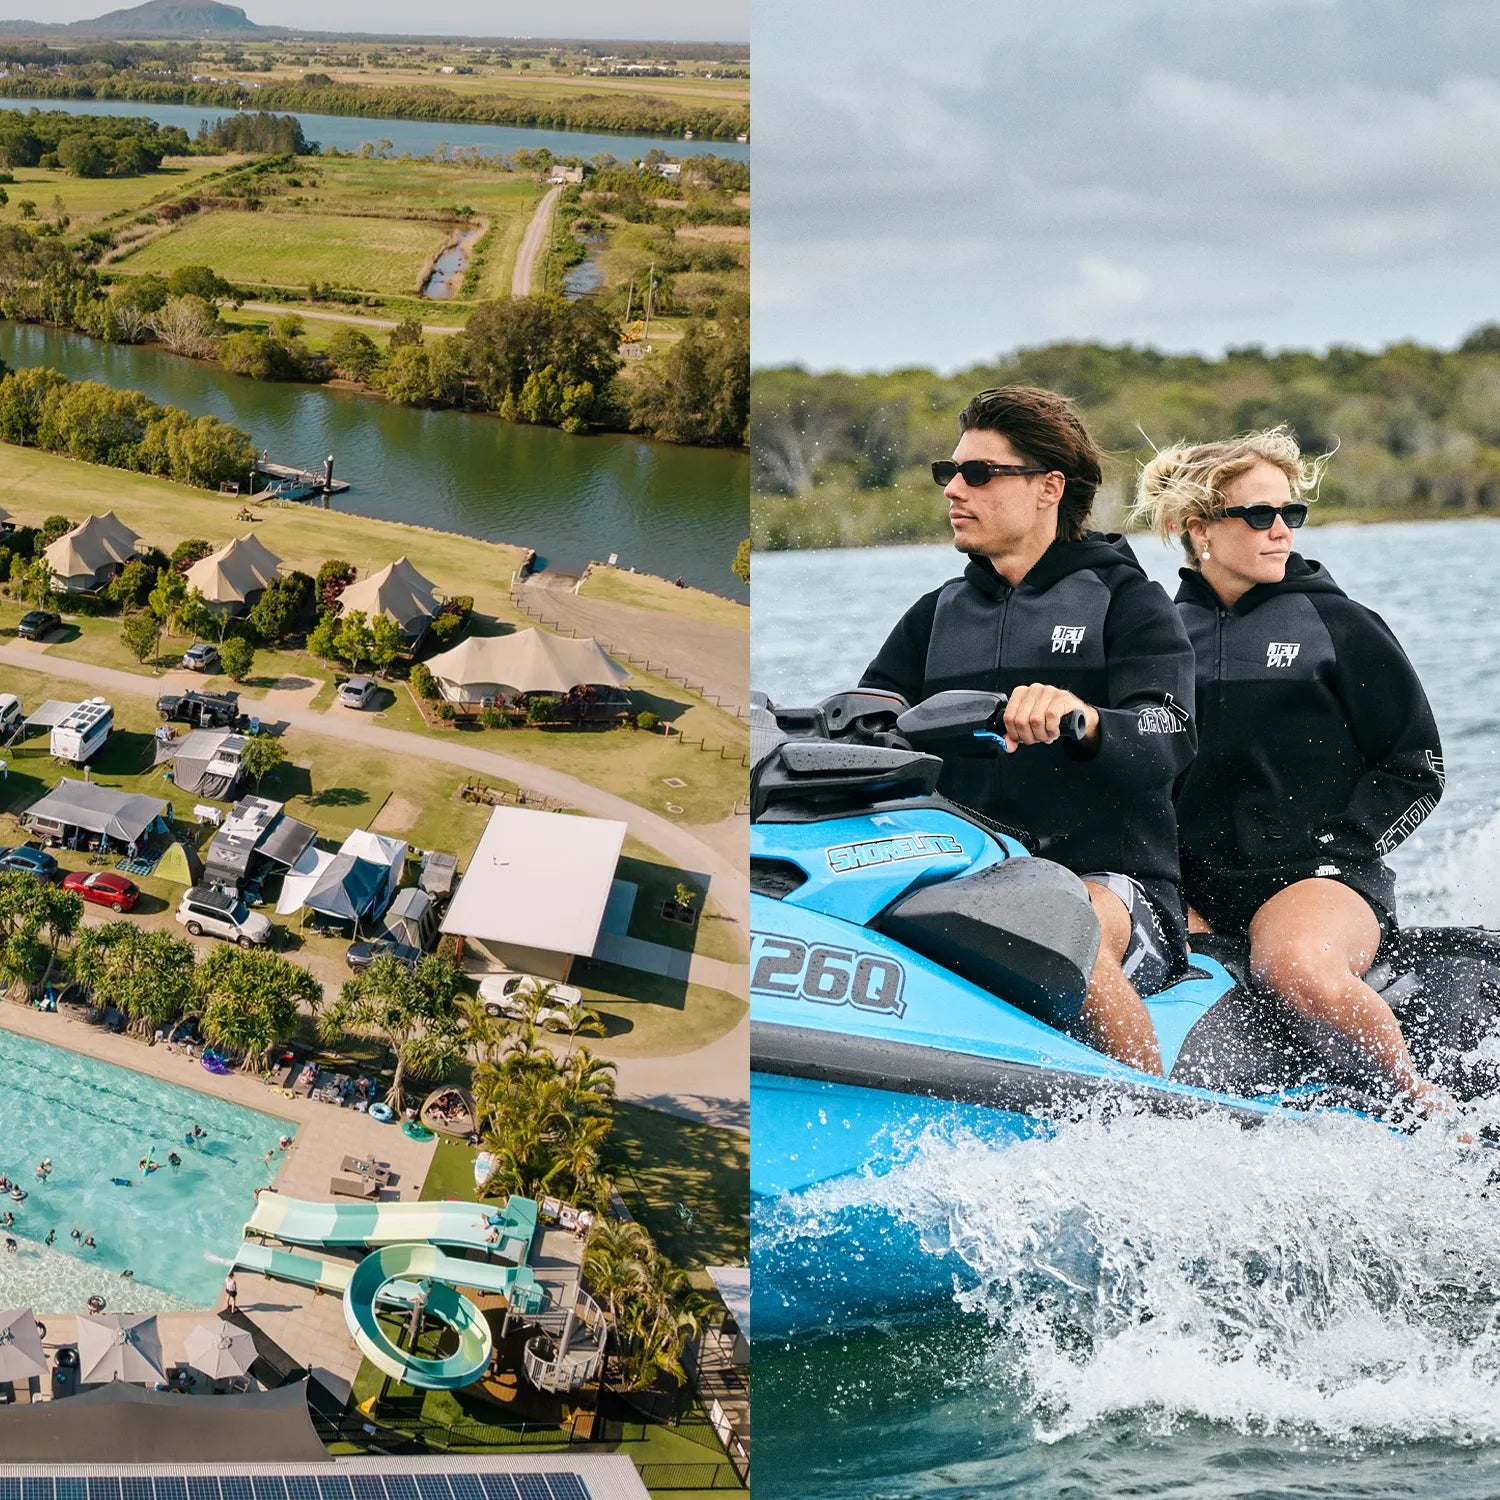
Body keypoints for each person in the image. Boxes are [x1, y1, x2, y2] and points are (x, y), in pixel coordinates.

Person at [861, 386, 1197, 1073]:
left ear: (1049, 488)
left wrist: (1085, 720)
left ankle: (1155, 1121)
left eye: (978, 473)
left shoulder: (1128, 601)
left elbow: (1169, 735)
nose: (953, 489)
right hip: (967, 877)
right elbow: (865, 719)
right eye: (949, 472)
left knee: (1054, 922)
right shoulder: (935, 615)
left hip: (1113, 882)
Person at [1132, 425, 1447, 1113]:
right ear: (1198, 529)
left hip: (1316, 881)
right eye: (1259, 514)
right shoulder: (1156, 637)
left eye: (1290, 513)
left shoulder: (1340, 624)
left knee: (1296, 967)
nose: (1281, 530)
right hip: (1189, 890)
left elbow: (1417, 768)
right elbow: (1136, 774)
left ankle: (1425, 1106)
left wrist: (1338, 846)